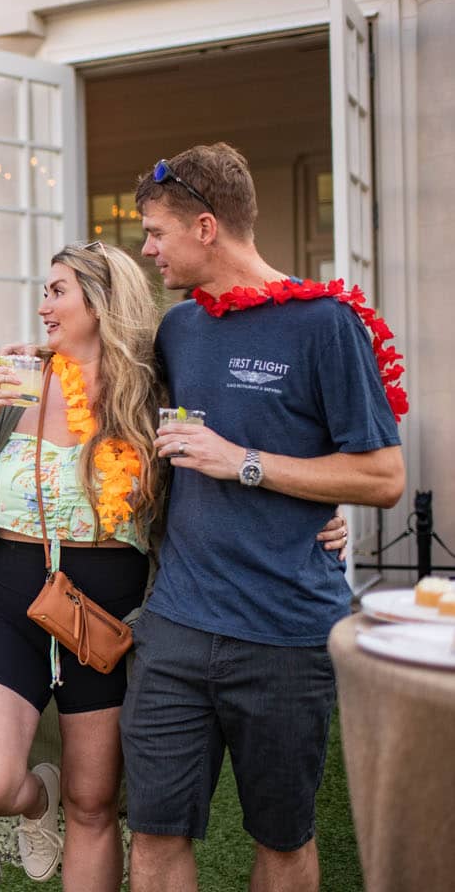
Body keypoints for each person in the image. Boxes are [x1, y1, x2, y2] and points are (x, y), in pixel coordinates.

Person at [124, 143, 404, 892]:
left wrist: (243, 461)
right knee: (151, 834)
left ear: (207, 227)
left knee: (282, 840)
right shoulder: (179, 329)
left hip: (286, 633)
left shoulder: (324, 325)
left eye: (156, 233)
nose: (148, 249)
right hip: (176, 626)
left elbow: (382, 475)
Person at [0, 243, 163, 888]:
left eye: (58, 291)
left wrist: (316, 519)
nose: (44, 306)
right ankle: (38, 799)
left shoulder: (151, 394)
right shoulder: (19, 381)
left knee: (93, 803)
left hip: (107, 612)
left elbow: (207, 482)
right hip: (12, 593)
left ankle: (67, 809)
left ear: (101, 301)